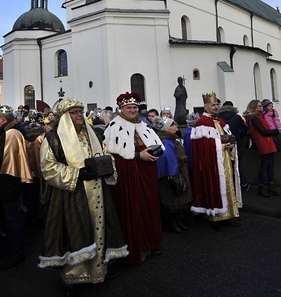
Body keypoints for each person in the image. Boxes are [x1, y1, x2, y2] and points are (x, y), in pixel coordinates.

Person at [38, 98, 128, 296]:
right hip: (73, 193)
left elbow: (106, 154)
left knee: (100, 230)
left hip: (98, 191)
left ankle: (99, 270)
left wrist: (106, 168)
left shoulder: (94, 133)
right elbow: (48, 167)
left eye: (80, 111)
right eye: (74, 112)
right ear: (64, 117)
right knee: (76, 232)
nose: (79, 115)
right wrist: (77, 174)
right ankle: (73, 277)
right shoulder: (53, 139)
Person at [104, 92, 164, 265]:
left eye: (135, 107)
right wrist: (138, 155)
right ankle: (136, 248)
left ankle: (151, 243)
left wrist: (154, 152)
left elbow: (155, 143)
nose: (132, 110)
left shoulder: (143, 124)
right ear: (121, 108)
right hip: (130, 174)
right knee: (134, 208)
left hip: (148, 173)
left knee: (149, 207)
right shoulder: (115, 125)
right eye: (128, 107)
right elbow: (114, 154)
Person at [0, 105, 33, 270]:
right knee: (7, 219)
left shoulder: (11, 133)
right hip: (4, 183)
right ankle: (9, 248)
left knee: (13, 219)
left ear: (3, 119)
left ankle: (16, 254)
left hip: (8, 182)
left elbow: (2, 160)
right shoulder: (8, 131)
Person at [189, 92, 242, 229]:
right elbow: (203, 147)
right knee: (215, 186)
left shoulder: (220, 120)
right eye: (213, 104)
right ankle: (216, 217)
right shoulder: (202, 123)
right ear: (205, 107)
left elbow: (228, 137)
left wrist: (231, 144)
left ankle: (230, 214)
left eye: (217, 104)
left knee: (228, 186)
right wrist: (222, 145)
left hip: (225, 159)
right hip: (211, 162)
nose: (216, 106)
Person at [153, 116, 192, 234]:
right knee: (173, 201)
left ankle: (177, 222)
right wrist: (174, 175)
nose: (175, 127)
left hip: (175, 172)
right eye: (172, 125)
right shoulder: (166, 141)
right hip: (172, 175)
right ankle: (173, 224)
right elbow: (168, 159)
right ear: (166, 128)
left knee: (175, 201)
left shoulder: (171, 139)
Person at [244, 99, 281, 197]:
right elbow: (263, 131)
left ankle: (271, 186)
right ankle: (262, 187)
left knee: (270, 165)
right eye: (259, 106)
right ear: (253, 107)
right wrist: (276, 132)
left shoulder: (258, 116)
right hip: (264, 143)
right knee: (264, 166)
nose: (261, 108)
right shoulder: (254, 118)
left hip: (268, 143)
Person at [218, 101, 250, 190]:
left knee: (224, 165)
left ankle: (227, 185)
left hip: (222, 144)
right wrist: (238, 138)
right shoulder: (237, 117)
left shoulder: (218, 118)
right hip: (235, 143)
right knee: (238, 164)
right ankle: (243, 184)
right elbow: (244, 130)